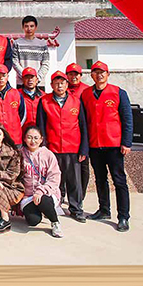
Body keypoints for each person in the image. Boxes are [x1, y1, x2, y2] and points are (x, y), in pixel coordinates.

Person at [81, 60, 133, 231]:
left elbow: (127, 119)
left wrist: (126, 142)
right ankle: (104, 209)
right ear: (92, 75)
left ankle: (123, 216)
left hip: (114, 145)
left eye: (102, 72)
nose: (99, 75)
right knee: (100, 179)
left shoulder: (118, 93)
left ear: (108, 74)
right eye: (96, 72)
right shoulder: (86, 94)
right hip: (95, 145)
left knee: (119, 180)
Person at [37, 70, 89, 222]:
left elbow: (83, 126)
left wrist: (83, 148)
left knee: (74, 181)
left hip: (73, 147)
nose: (59, 86)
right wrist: (43, 147)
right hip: (52, 148)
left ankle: (76, 209)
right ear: (51, 85)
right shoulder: (44, 101)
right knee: (54, 180)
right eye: (56, 83)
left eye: (62, 83)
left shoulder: (76, 101)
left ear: (67, 84)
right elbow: (41, 125)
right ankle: (54, 206)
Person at [19, 124, 63, 238]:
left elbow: (54, 177)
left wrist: (40, 191)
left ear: (41, 139)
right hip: (28, 195)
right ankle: (44, 211)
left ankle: (55, 222)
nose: (32, 141)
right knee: (33, 221)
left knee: (43, 200)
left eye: (36, 138)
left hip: (46, 193)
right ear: (24, 139)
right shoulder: (20, 154)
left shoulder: (48, 155)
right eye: (29, 137)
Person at [67, 62, 91, 196]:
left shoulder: (87, 90)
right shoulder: (62, 89)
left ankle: (81, 195)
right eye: (71, 74)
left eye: (76, 74)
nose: (74, 77)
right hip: (68, 132)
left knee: (83, 165)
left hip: (84, 129)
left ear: (81, 76)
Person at [12, 15, 50, 84]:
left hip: (38, 83)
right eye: (26, 26)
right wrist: (25, 76)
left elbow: (45, 63)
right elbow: (15, 62)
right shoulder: (17, 43)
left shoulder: (42, 44)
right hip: (22, 82)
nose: (29, 29)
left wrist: (37, 77)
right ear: (23, 27)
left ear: (36, 27)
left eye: (31, 26)